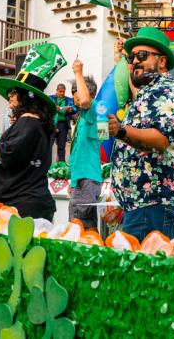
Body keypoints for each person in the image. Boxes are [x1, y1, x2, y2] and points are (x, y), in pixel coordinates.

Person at [0, 43, 66, 221]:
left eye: (14, 91)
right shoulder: (38, 123)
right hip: (32, 203)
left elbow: (3, 151)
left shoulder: (28, 123)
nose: (9, 94)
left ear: (25, 96)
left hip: (21, 207)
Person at [108, 27, 174, 240]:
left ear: (162, 61)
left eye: (142, 56)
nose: (136, 61)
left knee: (148, 272)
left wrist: (120, 130)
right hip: (141, 206)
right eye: (132, 57)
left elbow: (159, 140)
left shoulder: (167, 92)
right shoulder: (148, 93)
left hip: (154, 206)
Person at [67, 59, 102, 229]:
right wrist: (73, 181)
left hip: (86, 180)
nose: (72, 95)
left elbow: (86, 101)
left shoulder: (92, 107)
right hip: (80, 179)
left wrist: (78, 73)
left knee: (82, 230)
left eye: (74, 91)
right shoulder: (83, 115)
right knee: (77, 228)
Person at [50, 83, 75, 162]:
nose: (62, 93)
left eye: (63, 92)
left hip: (63, 124)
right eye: (60, 91)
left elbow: (74, 108)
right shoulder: (50, 98)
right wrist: (54, 107)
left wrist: (71, 110)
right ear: (56, 90)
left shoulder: (68, 100)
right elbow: (46, 107)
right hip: (52, 124)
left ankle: (61, 165)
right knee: (49, 144)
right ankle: (46, 165)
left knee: (62, 146)